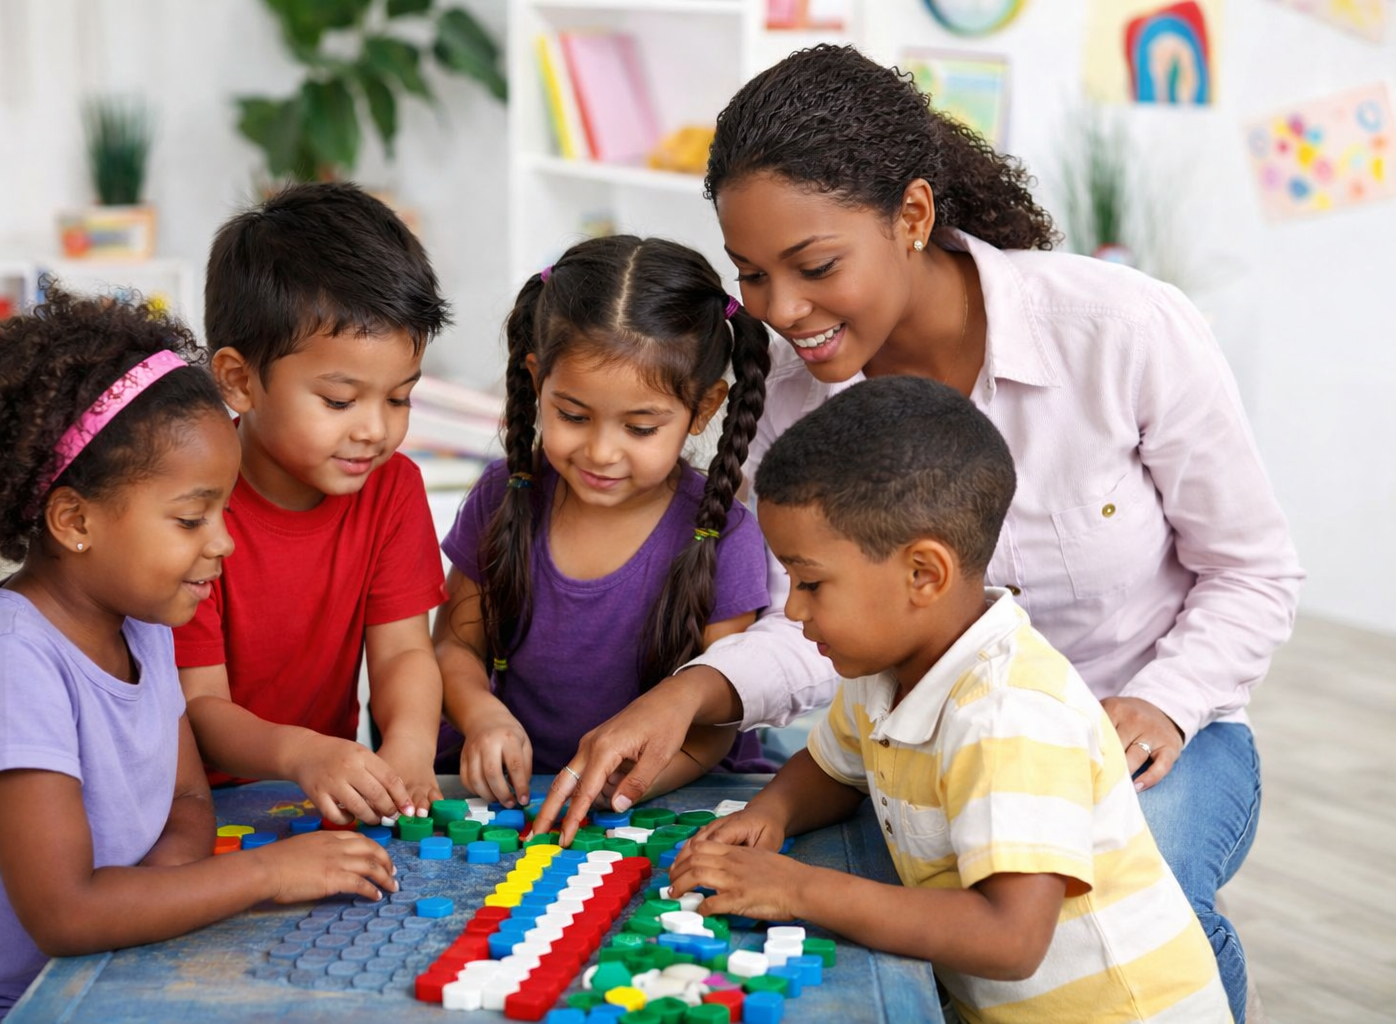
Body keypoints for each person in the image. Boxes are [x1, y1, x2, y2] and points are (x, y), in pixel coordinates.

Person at [532, 45, 1301, 1022]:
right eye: (753, 277)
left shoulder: (1122, 330)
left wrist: (1166, 700)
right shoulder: (792, 392)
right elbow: (807, 620)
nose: (783, 311)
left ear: (913, 216)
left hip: (1148, 738)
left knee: (1112, 891)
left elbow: (1253, 569)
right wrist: (696, 689)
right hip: (926, 754)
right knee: (758, 888)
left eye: (814, 268)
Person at [0, 289, 398, 1024]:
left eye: (223, 512)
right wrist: (265, 872)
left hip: (79, 985)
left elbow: (186, 801)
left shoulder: (143, 620)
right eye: (190, 518)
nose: (224, 543)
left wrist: (147, 899)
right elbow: (68, 913)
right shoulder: (13, 662)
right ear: (76, 520)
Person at [669, 376, 1231, 1023]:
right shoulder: (880, 668)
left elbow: (1010, 939)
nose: (792, 609)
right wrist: (772, 813)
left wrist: (798, 888)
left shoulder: (1007, 713)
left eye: (811, 582)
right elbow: (832, 770)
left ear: (923, 575)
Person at [433, 235, 772, 808]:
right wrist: (482, 715)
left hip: (668, 792)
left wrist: (622, 788)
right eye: (572, 415)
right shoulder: (504, 493)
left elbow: (714, 721)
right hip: (516, 791)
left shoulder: (726, 537)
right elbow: (454, 647)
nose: (600, 452)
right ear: (538, 379)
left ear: (705, 409)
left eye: (640, 428)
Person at [175, 182, 452, 822]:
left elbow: (405, 653)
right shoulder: (191, 507)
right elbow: (202, 709)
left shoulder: (392, 487)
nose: (373, 430)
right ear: (240, 382)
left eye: (399, 398)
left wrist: (410, 747)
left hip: (315, 793)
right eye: (338, 400)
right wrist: (305, 754)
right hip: (189, 803)